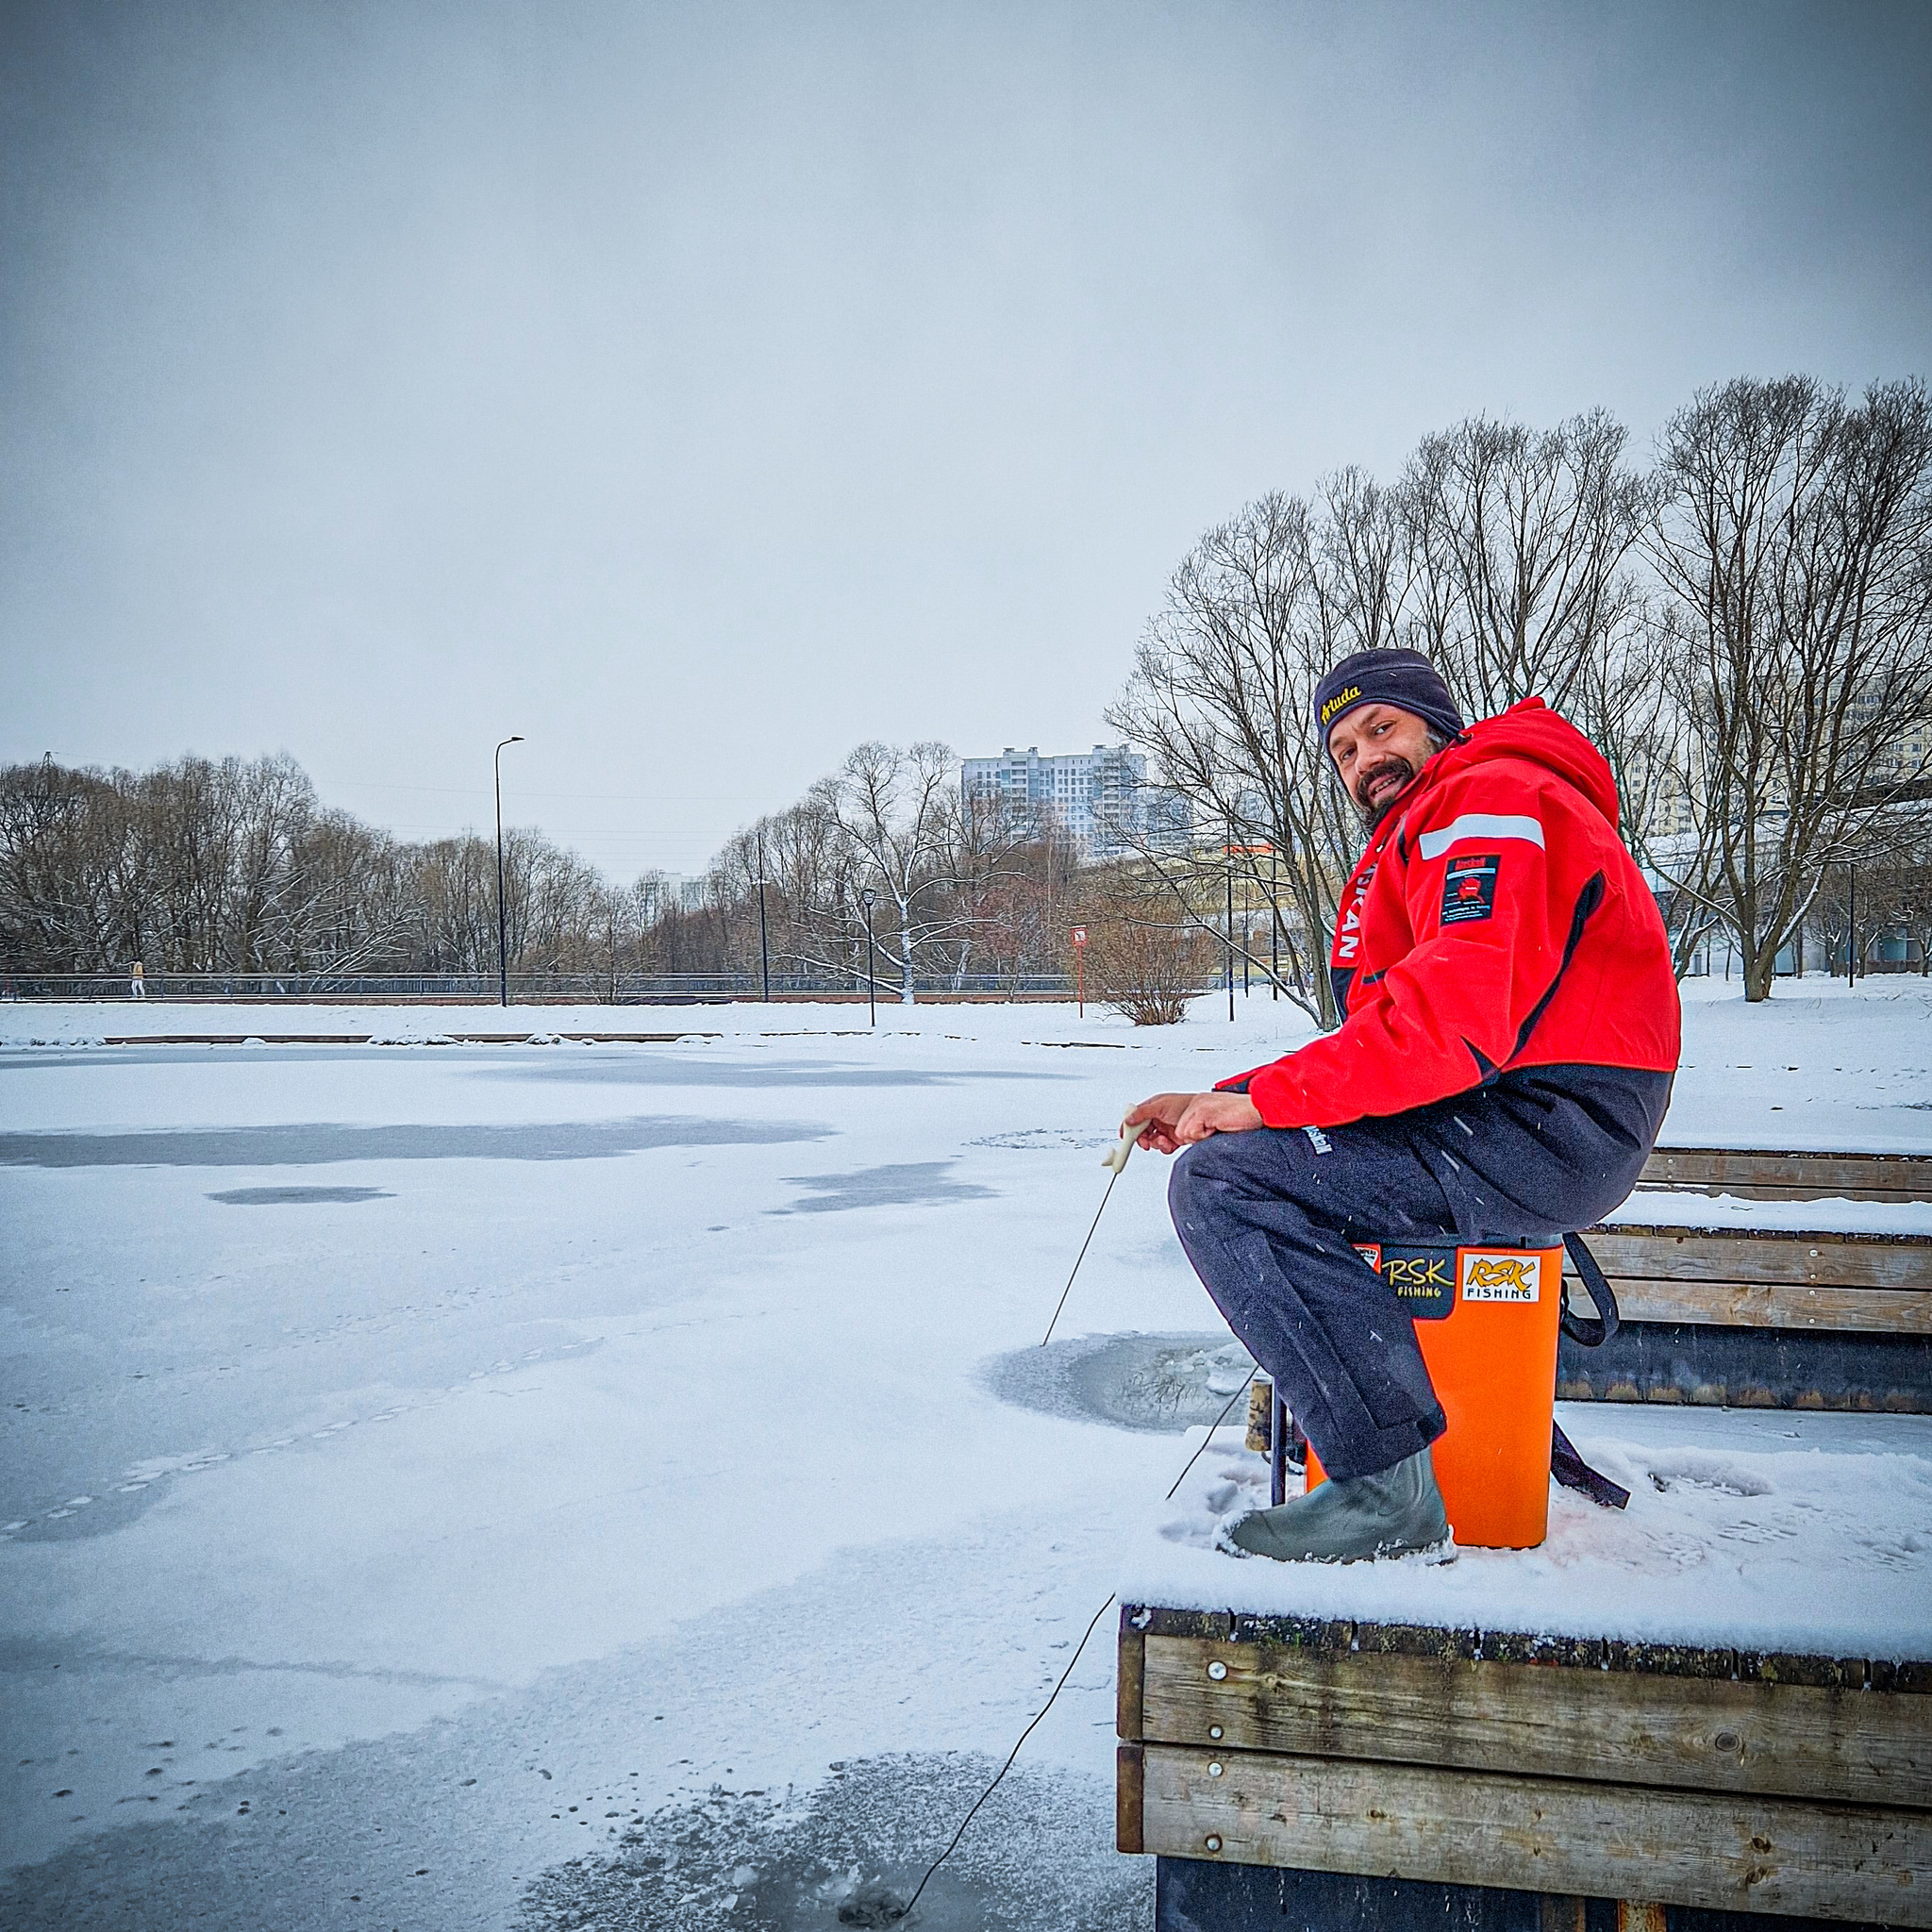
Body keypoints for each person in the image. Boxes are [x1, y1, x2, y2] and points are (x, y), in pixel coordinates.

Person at [1126, 647, 1680, 1563]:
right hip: (1508, 1109)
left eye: (1380, 728)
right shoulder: (1444, 815)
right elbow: (1399, 1028)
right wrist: (1224, 1100)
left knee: (1223, 1186)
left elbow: (1445, 1021)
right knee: (1237, 1154)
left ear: (1435, 722)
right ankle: (1404, 1436)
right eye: (1341, 748)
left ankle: (1384, 1482)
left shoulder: (1491, 801)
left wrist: (1251, 1107)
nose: (1362, 759)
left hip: (1542, 1119)